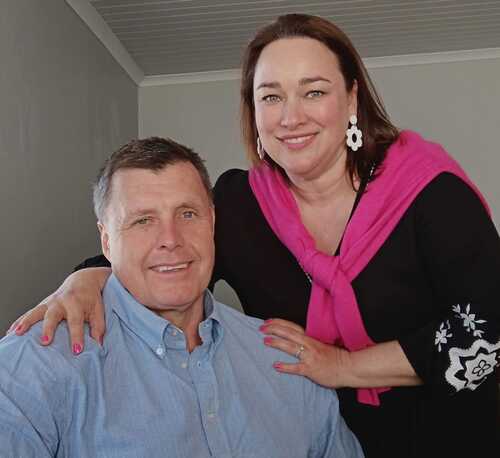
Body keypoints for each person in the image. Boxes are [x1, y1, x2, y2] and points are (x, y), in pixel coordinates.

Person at [10, 13, 500, 458]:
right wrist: (84, 281)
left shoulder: (428, 191)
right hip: (319, 431)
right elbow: (167, 251)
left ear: (352, 99)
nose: (291, 117)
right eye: (271, 96)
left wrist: (342, 367)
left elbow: (488, 331)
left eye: (314, 92)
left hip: (447, 433)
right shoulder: (242, 203)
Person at [0, 137, 363, 457]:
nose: (171, 239)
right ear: (106, 241)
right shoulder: (34, 367)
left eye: (188, 214)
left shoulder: (286, 360)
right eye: (143, 220)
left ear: (213, 222)